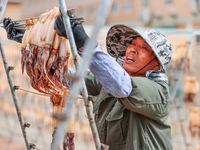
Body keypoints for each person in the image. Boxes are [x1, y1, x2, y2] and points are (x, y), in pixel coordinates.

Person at [3, 14, 173, 150]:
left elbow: (122, 86)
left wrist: (85, 43)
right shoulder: (106, 83)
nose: (133, 48)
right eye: (133, 43)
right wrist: (32, 42)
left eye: (144, 48)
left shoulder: (158, 92)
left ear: (156, 64)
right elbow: (66, 77)